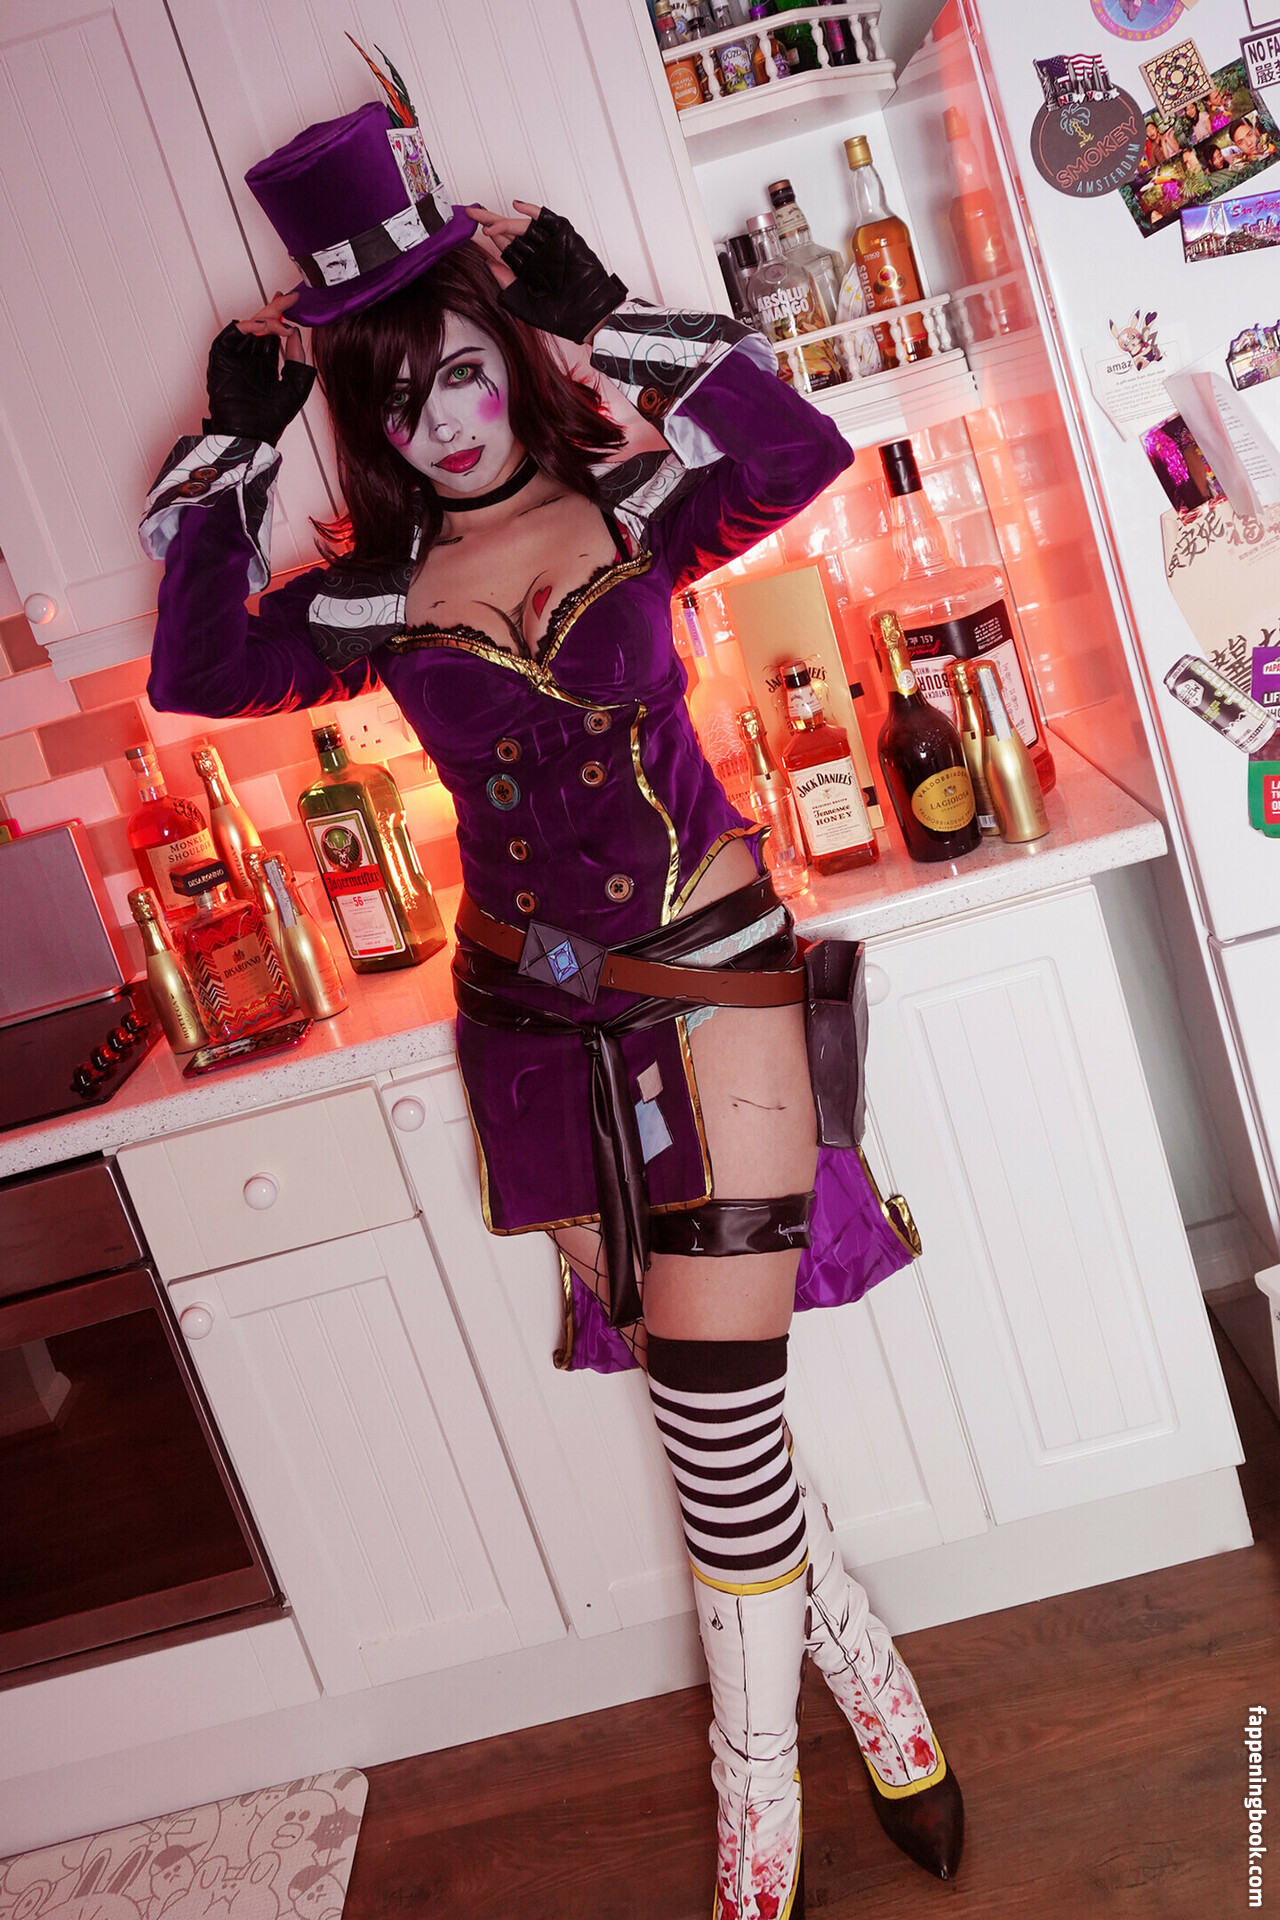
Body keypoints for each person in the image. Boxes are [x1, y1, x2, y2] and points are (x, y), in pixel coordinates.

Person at [139, 71, 962, 1920]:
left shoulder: (641, 503)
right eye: (390, 395)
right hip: (530, 1030)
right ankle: (878, 1687)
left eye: (458, 370)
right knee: (706, 1409)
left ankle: (759, 1831)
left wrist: (613, 319)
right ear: (362, 419)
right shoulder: (367, 603)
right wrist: (234, 446)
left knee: (717, 1414)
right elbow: (198, 668)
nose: (435, 418)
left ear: (508, 360)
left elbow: (796, 453)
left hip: (717, 982)